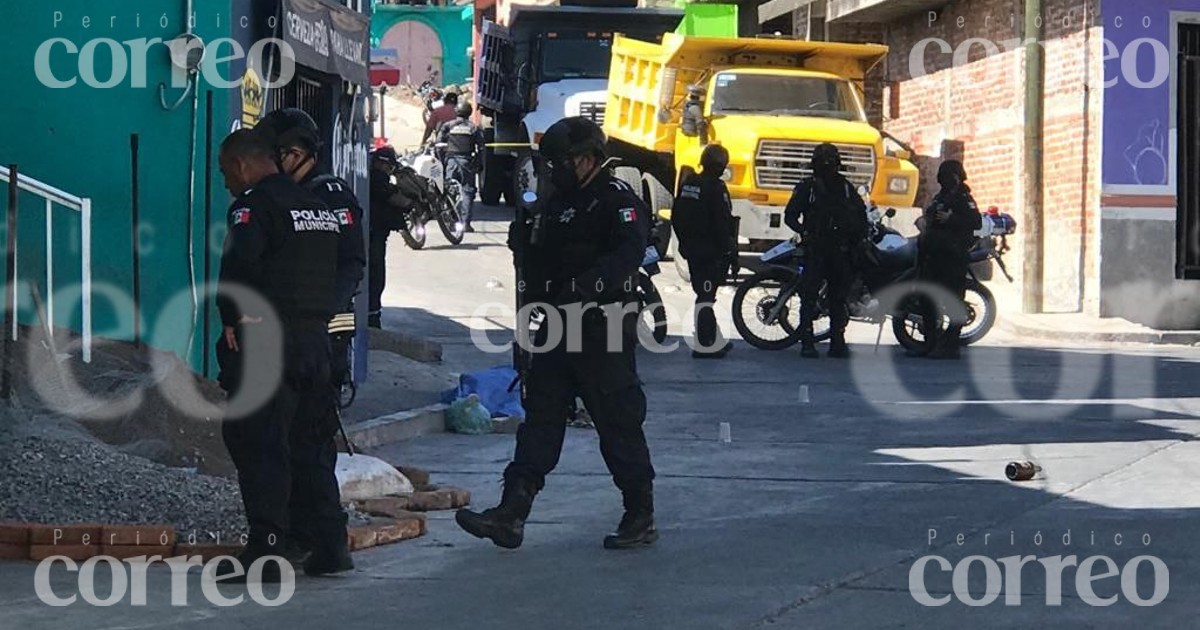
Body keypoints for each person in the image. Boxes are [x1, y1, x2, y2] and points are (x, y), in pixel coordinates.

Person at [455, 117, 658, 550]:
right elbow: (537, 268)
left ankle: (639, 513)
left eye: (561, 164)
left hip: (603, 327)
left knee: (616, 422)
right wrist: (525, 244)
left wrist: (586, 287)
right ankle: (511, 514)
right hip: (556, 327)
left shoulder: (615, 199)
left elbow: (628, 253)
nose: (554, 172)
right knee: (541, 421)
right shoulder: (553, 201)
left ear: (587, 160)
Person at [214, 129, 350, 581]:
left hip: (269, 344)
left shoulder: (255, 206)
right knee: (310, 445)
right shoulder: (319, 207)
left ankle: (268, 548)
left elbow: (240, 265)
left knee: (260, 444)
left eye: (224, 173)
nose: (226, 184)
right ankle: (330, 543)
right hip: (317, 342)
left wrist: (232, 317)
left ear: (240, 165)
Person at [254, 108, 366, 564]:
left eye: (275, 154)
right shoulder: (284, 196)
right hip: (297, 334)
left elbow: (350, 264)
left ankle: (327, 539)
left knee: (311, 440)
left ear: (297, 154)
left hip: (323, 334)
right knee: (291, 439)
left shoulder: (329, 195)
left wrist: (318, 314)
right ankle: (304, 532)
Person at [783, 143, 868, 359]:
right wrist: (806, 232)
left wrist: (857, 241)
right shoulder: (808, 188)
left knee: (837, 298)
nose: (827, 167)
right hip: (817, 249)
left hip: (840, 250)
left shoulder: (845, 188)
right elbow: (791, 216)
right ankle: (808, 341)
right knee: (810, 296)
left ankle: (837, 341)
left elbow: (861, 216)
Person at [671, 144, 737, 359]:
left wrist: (684, 243)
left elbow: (676, 215)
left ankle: (713, 337)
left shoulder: (689, 184)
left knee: (704, 293)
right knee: (706, 296)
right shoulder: (716, 188)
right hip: (711, 252)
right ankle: (703, 344)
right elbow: (722, 222)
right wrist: (727, 250)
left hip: (693, 249)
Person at [916, 159, 982, 360]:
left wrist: (951, 220)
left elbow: (976, 221)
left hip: (952, 258)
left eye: (949, 176)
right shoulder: (941, 196)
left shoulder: (964, 197)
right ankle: (931, 342)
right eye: (943, 177)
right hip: (933, 256)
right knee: (926, 299)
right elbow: (931, 215)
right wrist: (924, 222)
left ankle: (950, 346)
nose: (946, 180)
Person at [366, 146, 414, 328]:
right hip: (373, 235)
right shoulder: (377, 179)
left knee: (376, 279)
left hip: (375, 234)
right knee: (375, 278)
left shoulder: (376, 178)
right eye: (388, 167)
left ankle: (372, 316)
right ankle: (372, 319)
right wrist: (410, 202)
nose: (389, 170)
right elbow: (392, 197)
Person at [437, 101, 485, 232]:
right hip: (466, 163)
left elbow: (439, 145)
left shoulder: (447, 126)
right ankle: (465, 224)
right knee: (468, 192)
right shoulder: (473, 127)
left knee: (450, 192)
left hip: (451, 162)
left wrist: (442, 162)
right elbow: (481, 148)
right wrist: (480, 164)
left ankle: (451, 222)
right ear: (469, 113)